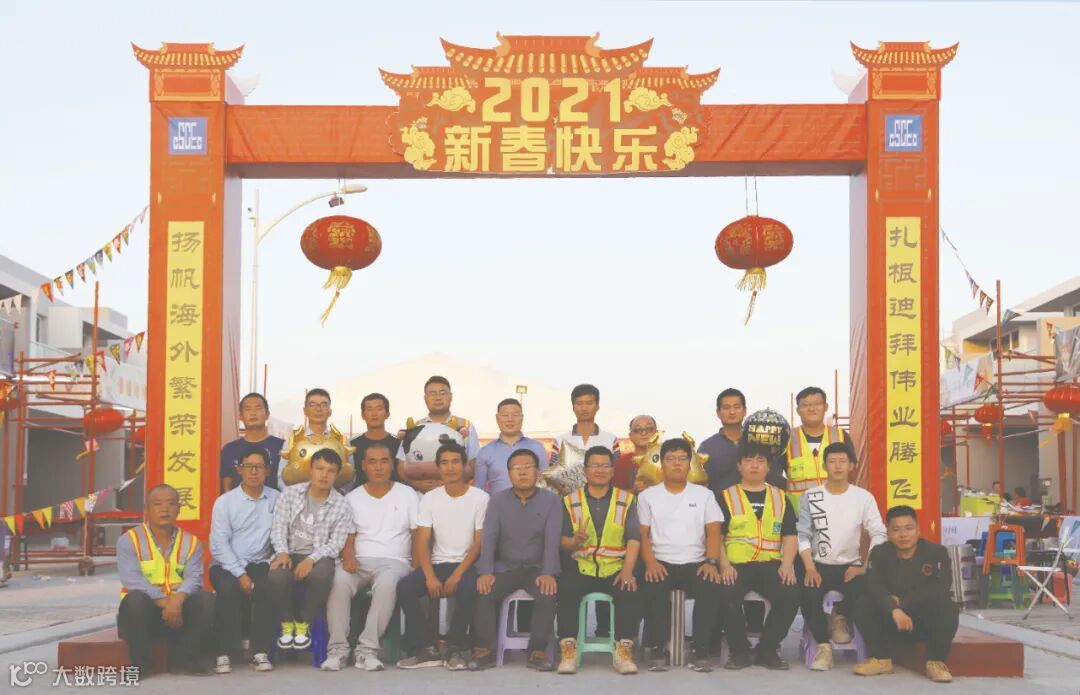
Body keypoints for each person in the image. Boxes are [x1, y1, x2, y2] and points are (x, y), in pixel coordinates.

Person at [322, 441, 418, 671]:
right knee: (338, 581)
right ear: (363, 466)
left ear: (392, 465)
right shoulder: (352, 498)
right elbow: (348, 535)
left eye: (384, 461)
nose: (378, 467)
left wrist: (416, 563)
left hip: (394, 562)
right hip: (359, 561)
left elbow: (417, 533)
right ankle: (338, 650)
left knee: (387, 584)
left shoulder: (407, 494)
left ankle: (367, 650)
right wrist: (348, 556)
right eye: (372, 462)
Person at [396, 442, 488, 670]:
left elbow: (479, 543)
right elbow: (422, 541)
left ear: (465, 465)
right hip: (438, 563)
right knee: (405, 587)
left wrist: (457, 575)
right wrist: (429, 576)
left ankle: (454, 648)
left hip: (467, 565)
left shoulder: (480, 498)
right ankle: (427, 648)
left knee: (468, 588)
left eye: (455, 461)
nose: (450, 467)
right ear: (438, 467)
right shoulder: (430, 498)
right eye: (444, 463)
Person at [468, 448, 561, 672]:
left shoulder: (552, 501)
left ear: (537, 472)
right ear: (509, 473)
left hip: (537, 568)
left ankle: (537, 651)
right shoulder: (497, 501)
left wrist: (549, 572)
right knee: (484, 590)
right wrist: (486, 571)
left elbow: (552, 540)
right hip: (505, 568)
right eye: (516, 468)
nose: (523, 472)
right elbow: (489, 538)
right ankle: (485, 650)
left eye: (528, 467)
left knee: (548, 593)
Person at [796, 442, 887, 671]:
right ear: (824, 465)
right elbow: (802, 534)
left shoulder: (863, 497)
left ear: (852, 466)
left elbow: (878, 532)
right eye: (832, 461)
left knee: (867, 590)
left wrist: (864, 566)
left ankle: (840, 617)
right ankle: (823, 647)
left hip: (851, 566)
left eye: (843, 461)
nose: (837, 466)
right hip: (818, 564)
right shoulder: (811, 496)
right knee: (807, 592)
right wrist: (809, 567)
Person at [638, 438, 725, 673]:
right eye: (670, 459)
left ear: (690, 464)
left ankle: (700, 649)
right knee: (653, 586)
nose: (676, 463)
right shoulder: (648, 496)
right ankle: (658, 648)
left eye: (682, 458)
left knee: (710, 587)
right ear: (662, 464)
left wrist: (711, 562)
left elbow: (714, 530)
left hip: (696, 562)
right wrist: (650, 563)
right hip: (661, 560)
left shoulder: (704, 495)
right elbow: (643, 534)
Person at [556, 445, 642, 675]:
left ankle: (623, 650)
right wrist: (575, 541)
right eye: (594, 465)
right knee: (566, 590)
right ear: (585, 470)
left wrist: (628, 571)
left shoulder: (626, 499)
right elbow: (562, 541)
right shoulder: (570, 500)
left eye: (605, 466)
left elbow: (634, 538)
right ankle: (568, 649)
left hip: (614, 567)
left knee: (629, 589)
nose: (600, 470)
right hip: (582, 567)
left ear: (613, 470)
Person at [717, 441, 800, 671]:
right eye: (748, 460)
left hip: (770, 564)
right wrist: (724, 565)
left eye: (760, 461)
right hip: (736, 565)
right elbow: (716, 537)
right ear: (739, 465)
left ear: (769, 467)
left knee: (791, 594)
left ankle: (767, 650)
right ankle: (739, 652)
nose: (754, 465)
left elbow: (790, 535)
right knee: (726, 595)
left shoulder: (780, 497)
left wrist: (787, 565)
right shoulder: (726, 497)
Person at [116, 484, 216, 675]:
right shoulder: (129, 540)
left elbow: (194, 578)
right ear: (146, 509)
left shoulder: (191, 542)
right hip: (143, 615)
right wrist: (166, 603)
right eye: (157, 504)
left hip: (178, 615)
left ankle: (185, 661)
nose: (164, 509)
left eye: (171, 504)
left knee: (206, 599)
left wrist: (178, 600)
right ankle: (140, 666)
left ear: (179, 509)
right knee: (135, 600)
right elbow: (132, 580)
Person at [852, 505, 958, 683]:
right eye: (896, 530)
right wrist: (893, 609)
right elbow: (873, 586)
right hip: (890, 622)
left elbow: (940, 587)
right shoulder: (879, 553)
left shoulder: (936, 553)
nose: (903, 535)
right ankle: (881, 659)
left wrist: (901, 602)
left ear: (918, 530)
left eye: (909, 528)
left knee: (947, 606)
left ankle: (935, 661)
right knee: (863, 603)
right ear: (888, 532)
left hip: (922, 621)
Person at [267, 449, 352, 652]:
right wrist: (282, 552)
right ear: (310, 470)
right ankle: (287, 623)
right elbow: (278, 528)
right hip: (289, 551)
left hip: (320, 555)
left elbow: (336, 543)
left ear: (337, 474)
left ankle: (303, 624)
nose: (324, 475)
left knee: (322, 576)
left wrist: (311, 559)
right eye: (319, 468)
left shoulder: (341, 504)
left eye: (331, 470)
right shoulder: (290, 494)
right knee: (276, 576)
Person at [209, 446, 281, 673]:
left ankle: (259, 652)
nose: (253, 472)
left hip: (260, 562)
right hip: (227, 564)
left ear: (268, 470)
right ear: (239, 470)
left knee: (268, 586)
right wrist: (240, 574)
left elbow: (281, 535)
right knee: (228, 590)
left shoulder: (277, 499)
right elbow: (219, 545)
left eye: (259, 467)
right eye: (248, 466)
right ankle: (223, 653)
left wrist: (275, 559)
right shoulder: (225, 502)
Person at [697, 388, 786, 498]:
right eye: (726, 408)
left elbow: (777, 474)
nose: (732, 412)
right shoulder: (707, 447)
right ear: (718, 413)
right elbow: (701, 485)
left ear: (745, 411)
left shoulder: (762, 441)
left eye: (737, 407)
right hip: (721, 506)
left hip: (765, 505)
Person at [399, 376, 480, 492]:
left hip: (455, 494)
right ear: (425, 398)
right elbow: (401, 465)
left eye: (442, 393)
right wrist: (417, 485)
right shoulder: (415, 428)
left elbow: (473, 464)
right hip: (421, 494)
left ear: (450, 396)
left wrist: (447, 485)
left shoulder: (465, 426)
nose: (437, 398)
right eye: (432, 394)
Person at [784, 386, 849, 512]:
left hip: (837, 512)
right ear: (798, 410)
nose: (812, 409)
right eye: (805, 405)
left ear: (826, 407)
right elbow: (775, 474)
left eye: (817, 404)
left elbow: (853, 472)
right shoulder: (787, 438)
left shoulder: (841, 436)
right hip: (800, 515)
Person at [279, 388, 354, 489]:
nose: (318, 409)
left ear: (330, 411)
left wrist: (338, 495)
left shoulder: (341, 441)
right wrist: (296, 496)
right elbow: (281, 477)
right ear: (305, 411)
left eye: (324, 405)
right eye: (313, 405)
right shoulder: (293, 441)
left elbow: (350, 477)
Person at [474, 398, 549, 494]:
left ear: (522, 418)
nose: (510, 419)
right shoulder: (485, 452)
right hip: (497, 503)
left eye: (515, 415)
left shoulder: (537, 448)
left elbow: (545, 485)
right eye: (505, 415)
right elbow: (479, 490)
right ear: (497, 418)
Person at [220, 392, 285, 493]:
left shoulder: (283, 447)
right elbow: (226, 487)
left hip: (276, 502)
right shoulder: (229, 449)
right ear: (241, 416)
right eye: (248, 409)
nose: (253, 413)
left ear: (267, 414)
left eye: (258, 408)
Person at [550, 384, 620, 471]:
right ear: (573, 407)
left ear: (597, 406)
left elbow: (617, 472)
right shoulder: (560, 441)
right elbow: (553, 475)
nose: (584, 408)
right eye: (579, 403)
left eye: (589, 403)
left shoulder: (611, 440)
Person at [349, 392, 401, 487]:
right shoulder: (351, 444)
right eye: (369, 409)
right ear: (363, 415)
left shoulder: (399, 444)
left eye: (379, 409)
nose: (374, 414)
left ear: (387, 414)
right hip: (360, 494)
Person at [613, 415, 657, 492]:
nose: (643, 433)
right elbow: (614, 494)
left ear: (656, 433)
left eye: (649, 429)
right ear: (630, 436)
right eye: (638, 429)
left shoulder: (669, 460)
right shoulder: (621, 463)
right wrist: (634, 490)